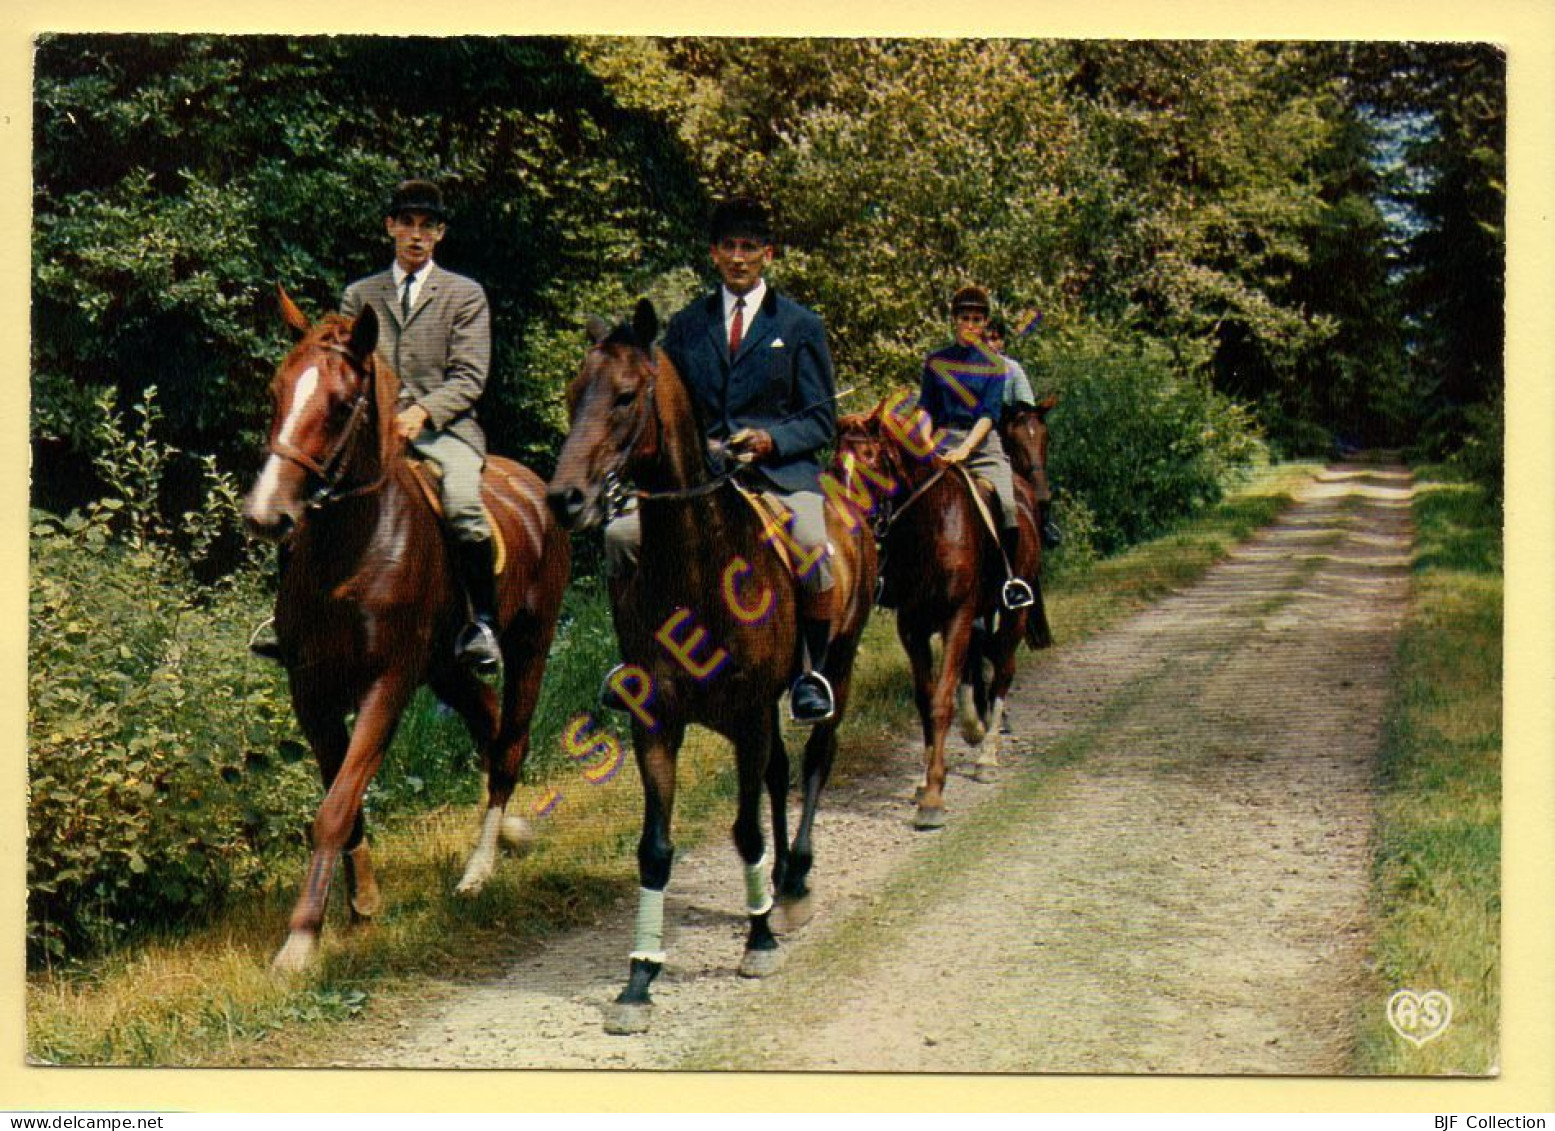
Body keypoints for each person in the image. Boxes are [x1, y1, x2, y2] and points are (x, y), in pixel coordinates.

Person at [602, 197, 840, 724]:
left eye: (749, 247)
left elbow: (820, 420)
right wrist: (699, 447)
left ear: (767, 254)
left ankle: (811, 672)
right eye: (729, 247)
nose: (739, 257)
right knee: (619, 537)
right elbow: (668, 406)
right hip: (702, 478)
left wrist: (770, 440)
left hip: (777, 473)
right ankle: (634, 664)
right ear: (714, 254)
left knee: (810, 544)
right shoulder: (688, 326)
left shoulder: (800, 326)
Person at [342, 178, 502, 673]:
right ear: (390, 226)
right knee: (307, 492)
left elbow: (470, 377)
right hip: (372, 431)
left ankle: (483, 623)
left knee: (460, 503)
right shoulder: (359, 295)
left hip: (444, 431)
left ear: (439, 234)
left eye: (426, 226)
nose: (415, 234)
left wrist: (422, 413)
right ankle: (289, 619)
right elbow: (347, 369)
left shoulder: (465, 294)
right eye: (406, 223)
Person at [917, 286, 1035, 610]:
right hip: (941, 439)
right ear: (954, 321)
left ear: (985, 323)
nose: (971, 325)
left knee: (1009, 508)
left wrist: (965, 451)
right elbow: (926, 406)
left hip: (981, 444)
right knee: (904, 497)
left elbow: (988, 415)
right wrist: (926, 441)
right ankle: (895, 578)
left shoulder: (995, 365)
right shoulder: (936, 361)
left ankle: (1012, 579)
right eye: (965, 318)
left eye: (977, 320)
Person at [985, 317, 1061, 550]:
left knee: (1032, 456)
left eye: (995, 339)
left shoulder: (1012, 371)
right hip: (977, 435)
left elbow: (1027, 409)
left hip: (1007, 432)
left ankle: (1045, 520)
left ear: (1002, 343)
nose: (990, 344)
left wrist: (1007, 415)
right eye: (985, 339)